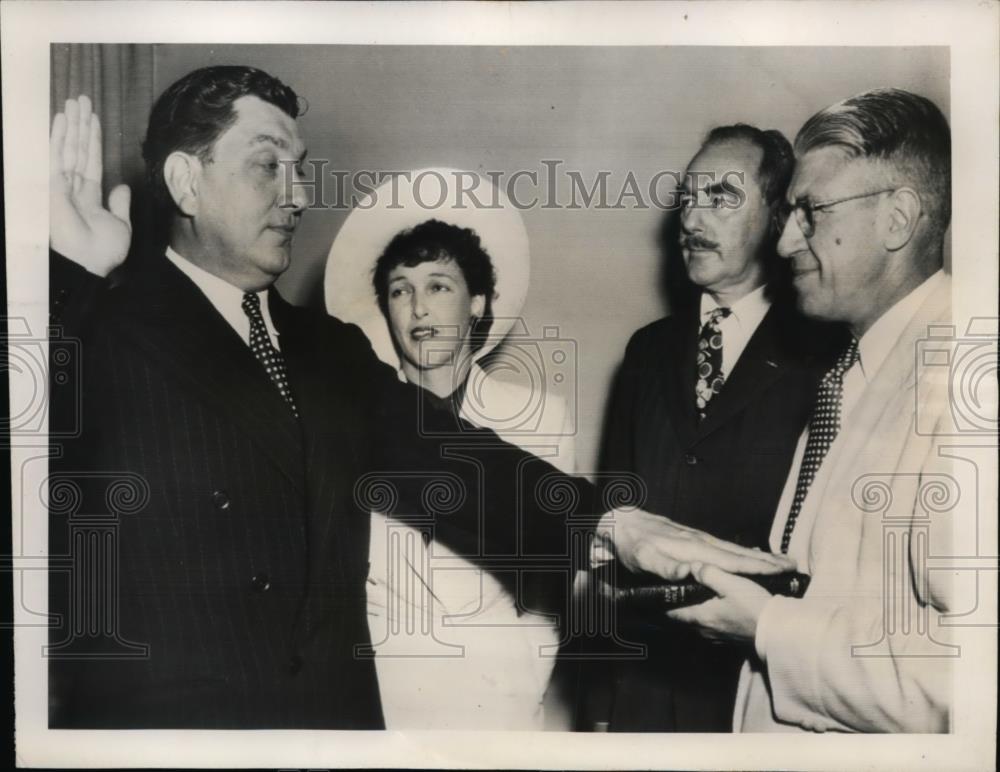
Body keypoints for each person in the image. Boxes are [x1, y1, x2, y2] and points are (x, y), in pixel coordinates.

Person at [47, 65, 792, 729]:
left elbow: (464, 464)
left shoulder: (327, 348)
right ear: (185, 182)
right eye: (267, 167)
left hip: (332, 731)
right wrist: (69, 280)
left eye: (299, 168)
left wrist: (614, 525)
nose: (300, 195)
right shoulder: (104, 324)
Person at [669, 88, 955, 732]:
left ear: (897, 219)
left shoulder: (967, 383)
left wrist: (767, 627)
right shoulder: (852, 366)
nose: (786, 239)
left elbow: (964, 684)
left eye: (810, 211)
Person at [590, 125, 843, 731]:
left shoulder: (825, 354)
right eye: (688, 196)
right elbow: (609, 524)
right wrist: (599, 705)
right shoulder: (646, 351)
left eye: (722, 197)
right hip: (641, 690)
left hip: (755, 693)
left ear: (778, 215)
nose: (692, 218)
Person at [332, 205, 572, 729]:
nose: (418, 309)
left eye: (438, 286)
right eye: (400, 290)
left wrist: (516, 692)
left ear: (477, 303)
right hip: (379, 708)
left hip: (494, 708)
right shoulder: (347, 423)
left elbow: (548, 598)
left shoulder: (539, 418)